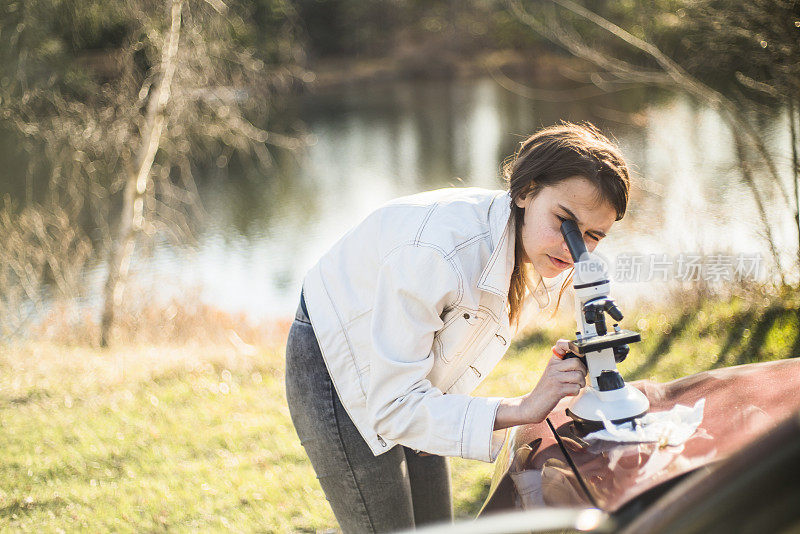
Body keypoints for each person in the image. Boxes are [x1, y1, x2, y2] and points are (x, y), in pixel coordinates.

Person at [285, 122, 630, 533]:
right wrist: (523, 408)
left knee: (434, 526)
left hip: (405, 374)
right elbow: (395, 408)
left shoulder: (515, 238)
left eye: (592, 237)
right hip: (336, 355)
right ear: (525, 192)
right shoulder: (440, 254)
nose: (574, 250)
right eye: (566, 223)